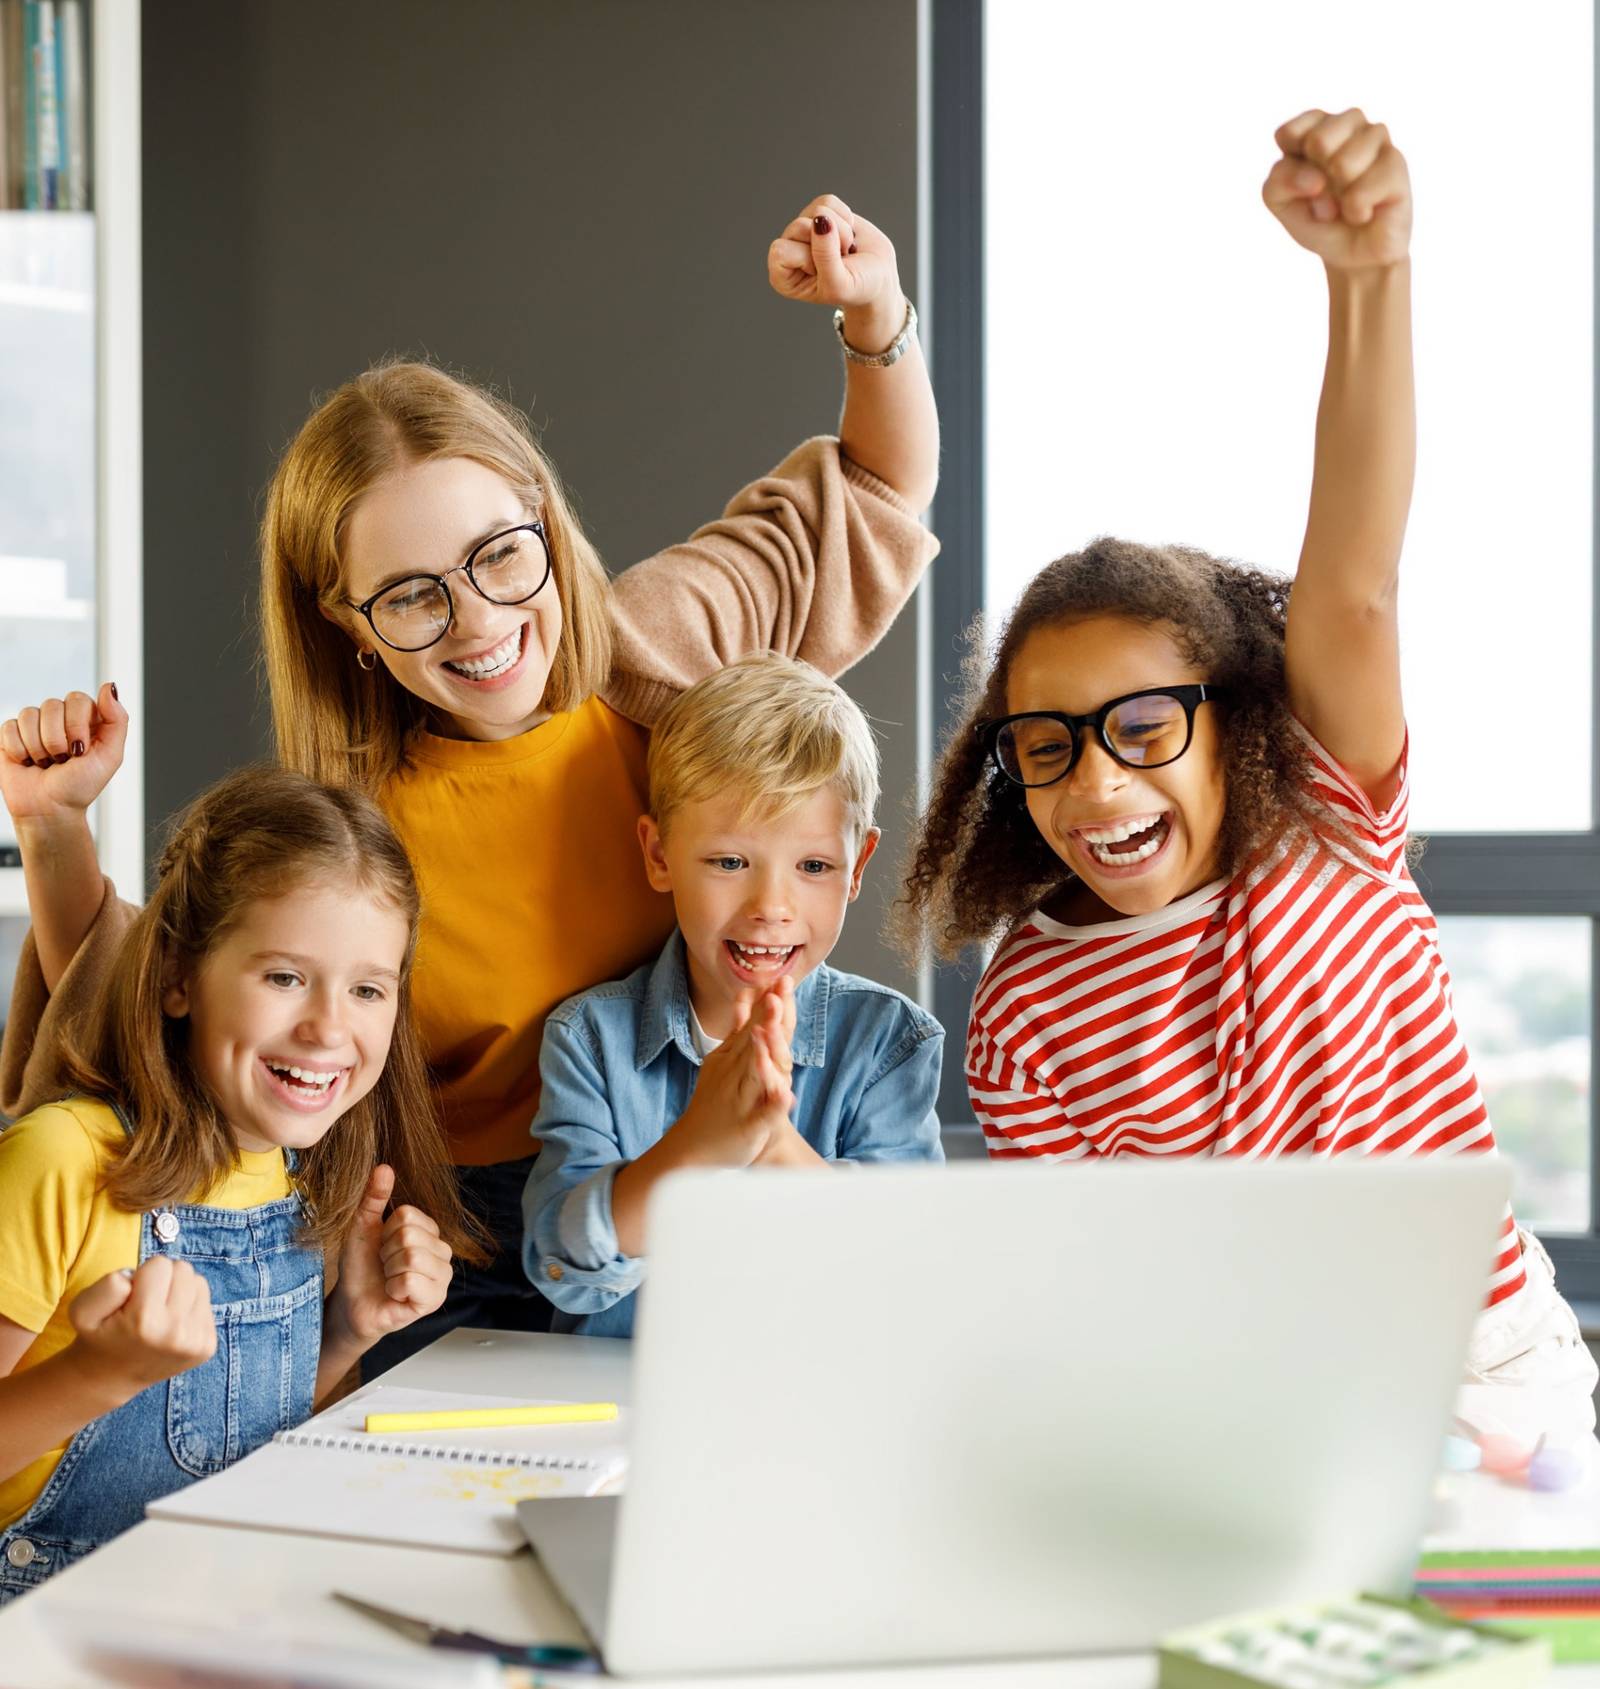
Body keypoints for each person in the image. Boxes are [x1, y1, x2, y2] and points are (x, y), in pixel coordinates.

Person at [0, 193, 938, 1369]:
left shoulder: (661, 642)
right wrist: (51, 828)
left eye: (500, 556)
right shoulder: (353, 817)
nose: (480, 620)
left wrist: (873, 314)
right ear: (346, 623)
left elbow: (874, 496)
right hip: (458, 1239)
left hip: (689, 1167)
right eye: (410, 594)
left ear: (543, 519)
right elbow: (139, 989)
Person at [897, 110, 1597, 1418]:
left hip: (1484, 1371)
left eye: (1145, 726)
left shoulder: (1328, 820)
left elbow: (1354, 587)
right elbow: (1099, 1294)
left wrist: (1369, 274)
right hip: (1249, 1401)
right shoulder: (1026, 1016)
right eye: (1044, 748)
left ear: (1236, 725)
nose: (1095, 785)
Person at [0, 767, 474, 1601]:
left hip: (220, 1615)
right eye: (284, 976)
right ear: (180, 975)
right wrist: (99, 1374)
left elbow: (269, 1443)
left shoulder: (301, 1177)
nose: (329, 1026)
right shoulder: (63, 1157)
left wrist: (348, 1333)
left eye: (368, 988)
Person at [524, 653, 943, 1337]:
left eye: (813, 866)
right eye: (729, 861)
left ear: (857, 866)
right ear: (658, 855)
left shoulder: (889, 1043)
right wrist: (699, 1144)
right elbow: (563, 1267)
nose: (771, 906)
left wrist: (771, 1141)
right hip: (622, 1412)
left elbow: (902, 1274)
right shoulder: (589, 1038)